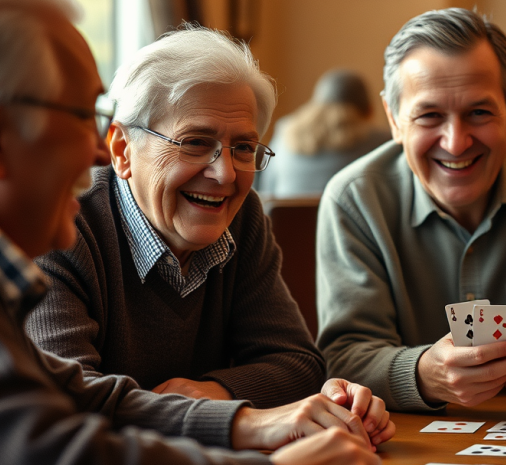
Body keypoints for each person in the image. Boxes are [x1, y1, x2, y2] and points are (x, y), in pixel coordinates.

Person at [0, 0, 390, 464]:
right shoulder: (16, 255)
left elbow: (82, 397)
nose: (97, 151)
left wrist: (243, 421)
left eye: (243, 147)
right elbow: (59, 447)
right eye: (82, 117)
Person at [23, 24, 337, 410]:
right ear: (122, 150)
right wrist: (236, 422)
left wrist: (214, 393)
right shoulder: (60, 224)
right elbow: (68, 402)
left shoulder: (242, 217)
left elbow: (299, 364)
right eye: (195, 143)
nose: (225, 175)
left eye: (242, 147)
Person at [315, 8, 506, 412]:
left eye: (478, 113)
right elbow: (344, 355)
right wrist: (421, 371)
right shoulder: (355, 199)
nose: (456, 142)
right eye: (429, 116)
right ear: (394, 119)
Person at [257, 68, 389, 199]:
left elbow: (266, 190)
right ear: (369, 111)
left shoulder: (284, 131)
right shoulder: (380, 141)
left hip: (283, 219)